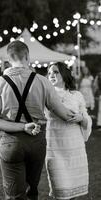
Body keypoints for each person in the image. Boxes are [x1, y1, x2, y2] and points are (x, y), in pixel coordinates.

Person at [0, 41, 75, 200]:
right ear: (27, 56)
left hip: (10, 143)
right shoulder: (42, 81)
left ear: (9, 58)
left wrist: (22, 126)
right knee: (32, 192)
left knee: (15, 196)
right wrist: (81, 115)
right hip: (37, 143)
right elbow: (65, 114)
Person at [45, 62, 92, 200]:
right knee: (60, 189)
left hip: (74, 146)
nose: (51, 75)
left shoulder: (77, 95)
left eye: (55, 72)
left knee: (74, 191)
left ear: (64, 74)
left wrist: (81, 118)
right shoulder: (47, 94)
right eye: (49, 73)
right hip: (55, 145)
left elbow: (86, 118)